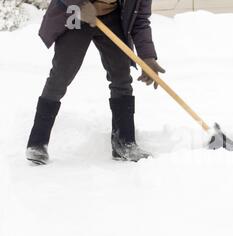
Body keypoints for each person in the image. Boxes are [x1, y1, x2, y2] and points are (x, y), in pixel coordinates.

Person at [26, 0, 165, 164]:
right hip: (77, 14)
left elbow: (139, 20)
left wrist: (147, 57)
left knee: (121, 76)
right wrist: (79, 4)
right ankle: (37, 143)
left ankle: (125, 143)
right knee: (61, 76)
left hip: (111, 16)